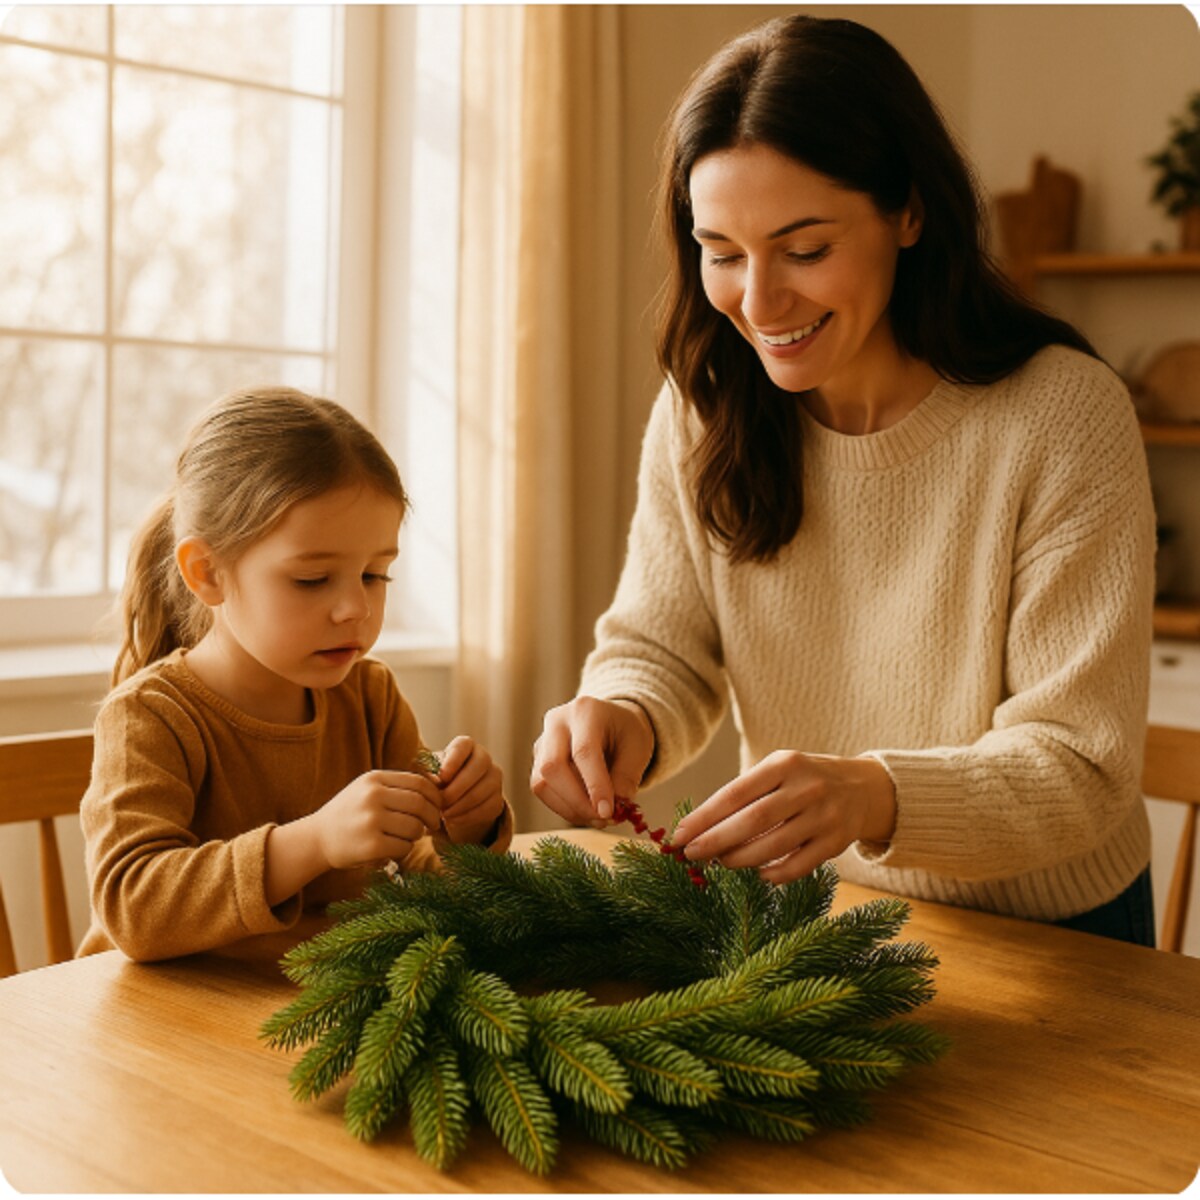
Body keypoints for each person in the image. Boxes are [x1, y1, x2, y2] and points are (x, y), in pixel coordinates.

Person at [530, 14, 1157, 945]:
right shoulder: (705, 410)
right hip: (823, 919)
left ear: (909, 212)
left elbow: (1082, 768)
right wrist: (622, 710)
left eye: (806, 249)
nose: (759, 301)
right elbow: (663, 645)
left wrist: (876, 794)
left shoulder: (1062, 416)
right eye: (724, 252)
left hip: (1060, 940)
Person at [79, 387, 512, 961]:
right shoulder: (150, 716)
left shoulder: (370, 696)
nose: (355, 608)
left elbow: (428, 879)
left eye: (375, 575)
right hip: (159, 1027)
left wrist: (468, 831)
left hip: (317, 1009)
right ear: (206, 572)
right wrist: (314, 842)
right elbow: (133, 909)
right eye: (312, 580)